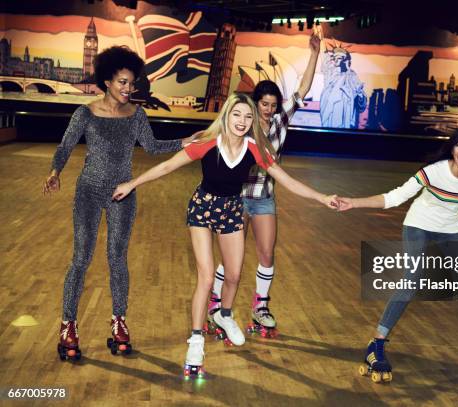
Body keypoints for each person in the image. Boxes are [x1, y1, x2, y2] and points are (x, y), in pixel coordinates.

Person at [111, 92, 337, 377]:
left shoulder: (256, 149)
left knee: (233, 275)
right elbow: (168, 165)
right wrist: (132, 183)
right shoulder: (208, 142)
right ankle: (195, 341)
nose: (242, 121)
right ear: (227, 115)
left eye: (247, 116)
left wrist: (321, 197)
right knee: (206, 277)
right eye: (237, 115)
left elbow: (288, 181)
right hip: (202, 209)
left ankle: (224, 315)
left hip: (232, 210)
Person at [45, 46, 195, 361]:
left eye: (131, 83)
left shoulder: (137, 115)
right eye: (123, 82)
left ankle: (119, 321)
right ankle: (68, 325)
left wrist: (183, 141)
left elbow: (152, 147)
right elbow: (65, 146)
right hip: (88, 191)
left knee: (117, 258)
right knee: (81, 259)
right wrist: (55, 172)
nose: (129, 88)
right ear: (108, 82)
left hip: (122, 193)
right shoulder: (85, 113)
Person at [336, 126, 458, 383]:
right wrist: (353, 202)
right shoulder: (434, 172)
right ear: (452, 147)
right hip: (418, 225)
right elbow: (394, 197)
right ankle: (376, 343)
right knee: (412, 280)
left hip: (450, 230)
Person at [211, 31, 321, 338]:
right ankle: (216, 304)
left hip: (263, 197)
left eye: (273, 104)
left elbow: (302, 89)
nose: (269, 109)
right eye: (264, 103)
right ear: (255, 102)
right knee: (231, 258)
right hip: (236, 197)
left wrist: (314, 54)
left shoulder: (280, 122)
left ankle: (260, 306)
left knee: (267, 253)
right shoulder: (241, 123)